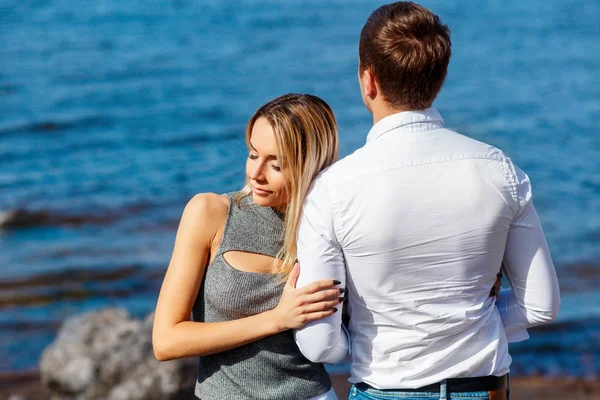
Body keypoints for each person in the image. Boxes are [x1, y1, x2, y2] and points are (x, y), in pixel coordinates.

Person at [293, 2, 560, 400]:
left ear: (368, 81)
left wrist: (368, 334)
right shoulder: (498, 170)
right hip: (484, 390)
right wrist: (470, 319)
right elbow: (541, 305)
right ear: (440, 76)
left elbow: (319, 343)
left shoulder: (333, 189)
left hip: (384, 389)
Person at [152, 93, 344, 400]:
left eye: (276, 165)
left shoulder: (328, 228)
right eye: (253, 154)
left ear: (309, 164)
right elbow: (166, 341)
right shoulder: (211, 214)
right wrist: (276, 320)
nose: (255, 173)